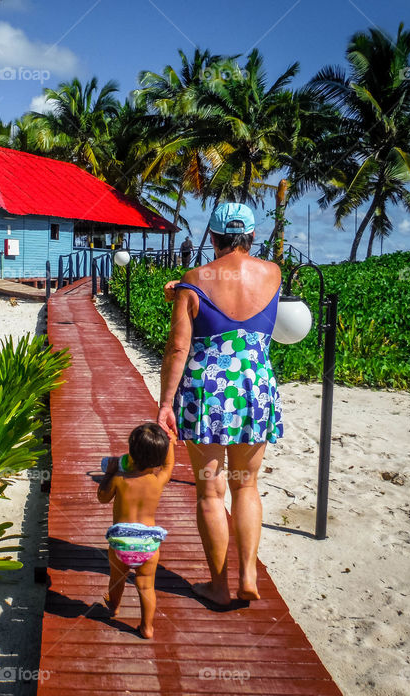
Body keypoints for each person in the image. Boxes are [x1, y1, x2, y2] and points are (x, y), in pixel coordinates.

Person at [157, 202, 283, 606]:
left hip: (207, 390)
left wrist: (165, 403)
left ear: (212, 238)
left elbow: (178, 347)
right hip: (255, 387)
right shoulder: (274, 273)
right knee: (246, 486)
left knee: (210, 493)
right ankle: (247, 575)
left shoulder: (194, 280)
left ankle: (218, 585)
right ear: (252, 237)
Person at [97, 422, 175, 638]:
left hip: (121, 541)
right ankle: (147, 627)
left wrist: (109, 474)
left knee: (117, 579)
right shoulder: (157, 480)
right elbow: (168, 466)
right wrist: (169, 441)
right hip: (148, 542)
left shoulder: (120, 480)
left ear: (130, 452)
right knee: (146, 586)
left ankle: (114, 607)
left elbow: (102, 498)